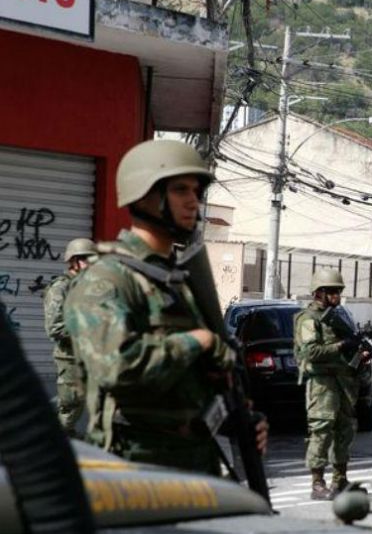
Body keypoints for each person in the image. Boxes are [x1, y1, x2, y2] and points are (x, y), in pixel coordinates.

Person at [64, 139, 267, 474]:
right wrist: (197, 341)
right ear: (145, 196)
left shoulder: (178, 282)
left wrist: (236, 418)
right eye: (180, 190)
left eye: (196, 191)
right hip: (135, 467)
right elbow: (116, 367)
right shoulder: (107, 280)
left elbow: (190, 385)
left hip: (196, 461)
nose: (193, 202)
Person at [294, 268, 366, 500]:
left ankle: (340, 481)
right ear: (320, 292)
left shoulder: (340, 316)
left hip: (343, 381)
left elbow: (347, 350)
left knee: (344, 431)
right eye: (333, 291)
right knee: (322, 431)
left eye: (339, 291)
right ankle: (317, 484)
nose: (337, 296)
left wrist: (359, 354)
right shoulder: (308, 319)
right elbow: (311, 352)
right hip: (322, 384)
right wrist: (341, 346)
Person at [43, 237, 97, 437]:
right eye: (87, 259)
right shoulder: (61, 288)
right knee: (70, 405)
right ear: (74, 261)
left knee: (83, 402)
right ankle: (54, 441)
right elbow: (55, 328)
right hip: (70, 356)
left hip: (89, 355)